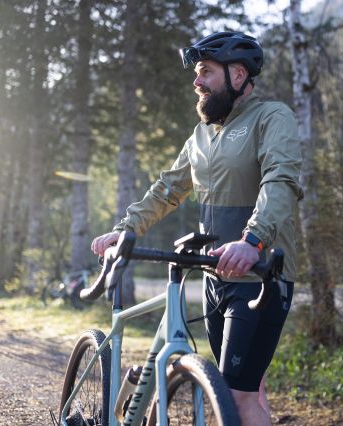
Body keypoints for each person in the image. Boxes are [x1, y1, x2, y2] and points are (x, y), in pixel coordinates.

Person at [91, 31, 303, 426]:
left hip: (258, 276)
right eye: (197, 72)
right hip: (214, 278)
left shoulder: (272, 117)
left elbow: (281, 181)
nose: (197, 80)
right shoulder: (201, 135)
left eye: (206, 71)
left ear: (238, 75)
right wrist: (125, 228)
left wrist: (252, 241)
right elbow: (167, 189)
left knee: (237, 398)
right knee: (241, 388)